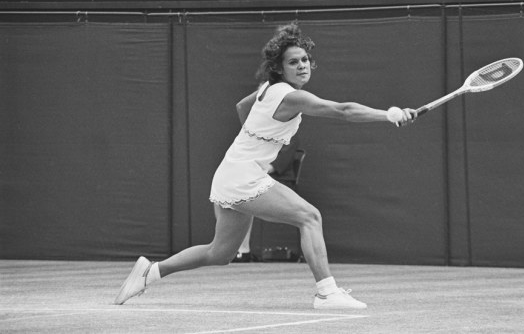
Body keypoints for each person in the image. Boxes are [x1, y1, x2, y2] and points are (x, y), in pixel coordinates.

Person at [114, 22, 417, 309]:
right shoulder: (292, 97)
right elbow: (342, 110)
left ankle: (149, 272)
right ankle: (327, 292)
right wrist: (389, 114)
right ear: (279, 68)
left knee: (220, 253)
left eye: (305, 60)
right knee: (310, 217)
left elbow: (242, 107)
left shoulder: (265, 88)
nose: (302, 66)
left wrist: (257, 148)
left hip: (231, 172)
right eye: (293, 62)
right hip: (242, 177)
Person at [232, 135, 300, 263]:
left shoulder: (290, 133)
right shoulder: (261, 132)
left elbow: (278, 163)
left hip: (280, 181)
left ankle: (243, 250)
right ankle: (239, 250)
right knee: (234, 195)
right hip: (257, 180)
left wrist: (258, 169)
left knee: (245, 196)